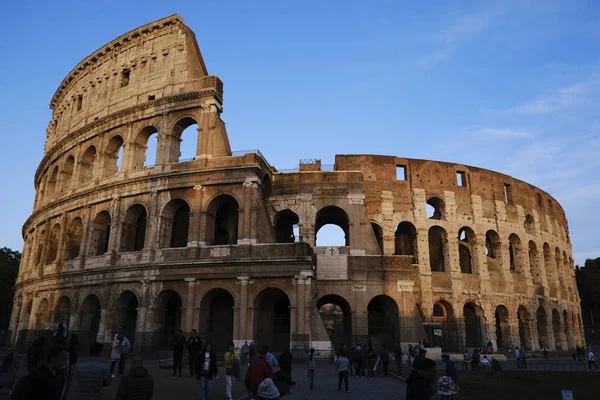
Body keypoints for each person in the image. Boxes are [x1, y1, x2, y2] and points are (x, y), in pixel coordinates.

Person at [61, 333, 80, 400]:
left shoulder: (71, 344)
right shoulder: (75, 344)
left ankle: (65, 394)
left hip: (70, 362)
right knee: (68, 379)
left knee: (67, 379)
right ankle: (65, 394)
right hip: (72, 362)